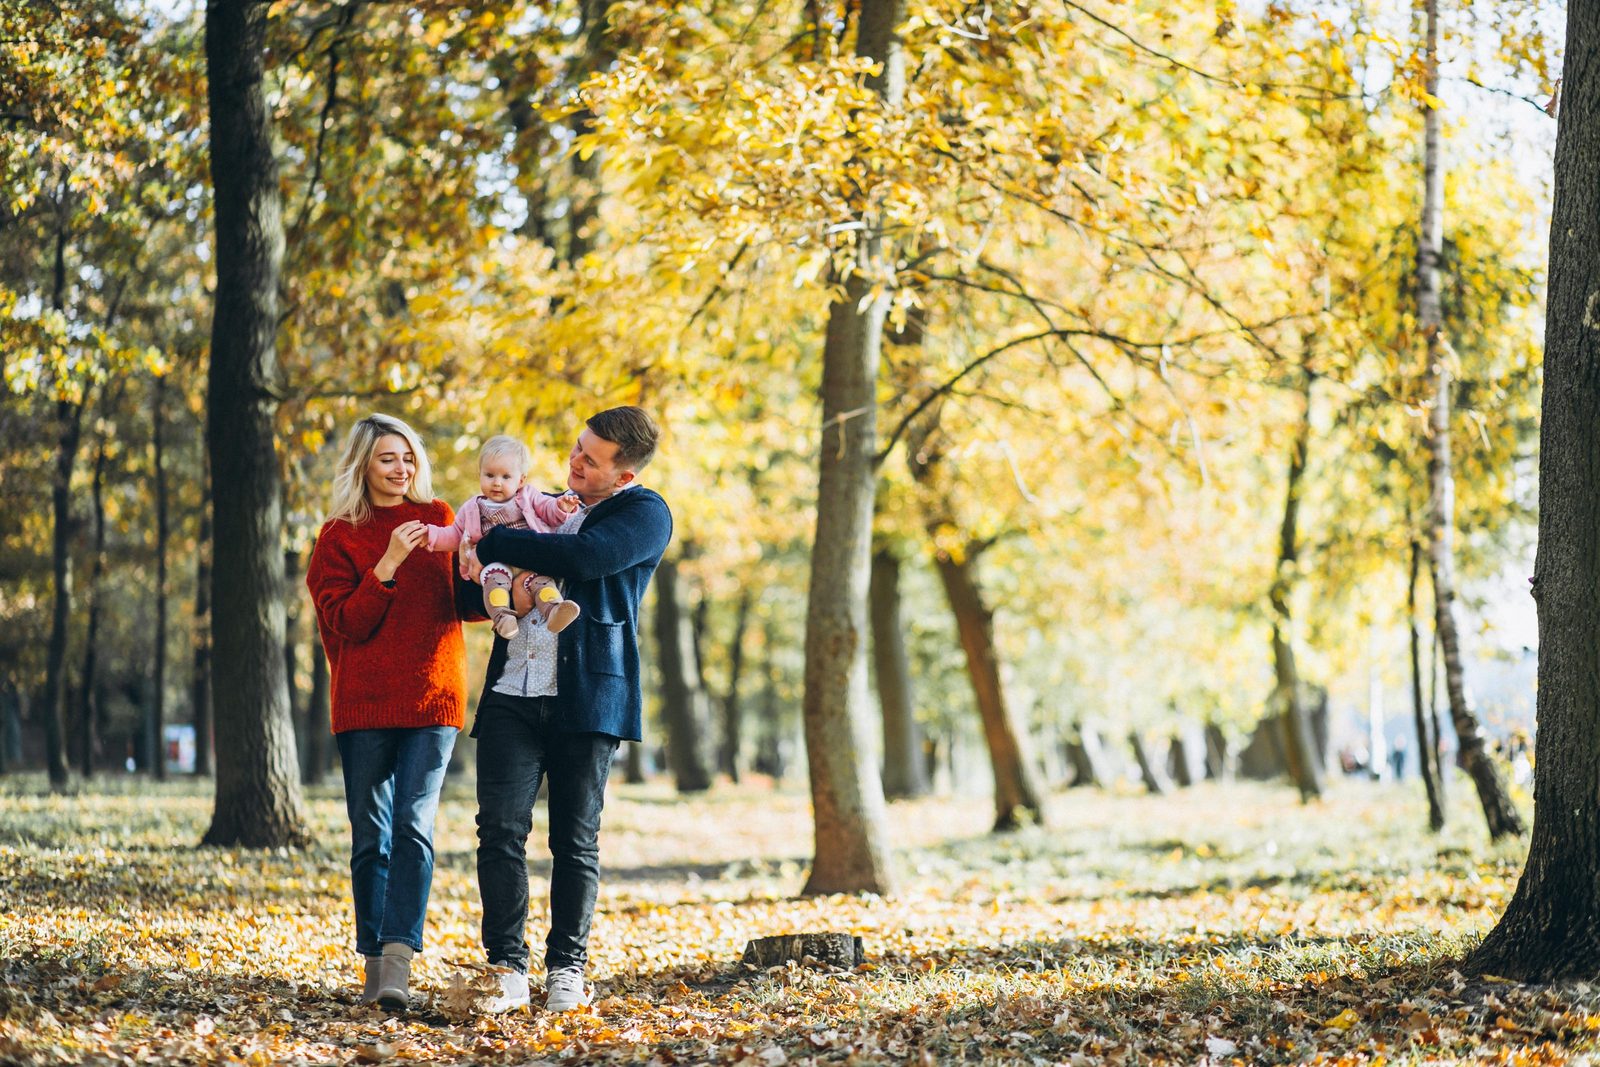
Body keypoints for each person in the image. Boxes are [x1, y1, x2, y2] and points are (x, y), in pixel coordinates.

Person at [463, 406, 672, 1014]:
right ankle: (506, 967)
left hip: (588, 697)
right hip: (512, 690)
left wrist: (496, 539)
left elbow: (587, 560)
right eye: (577, 448)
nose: (575, 461)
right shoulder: (539, 507)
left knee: (574, 841)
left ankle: (566, 970)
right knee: (499, 831)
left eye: (591, 458)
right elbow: (471, 587)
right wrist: (495, 574)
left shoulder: (643, 512)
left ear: (623, 475)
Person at [306, 414, 467, 1011]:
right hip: (366, 702)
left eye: (407, 458)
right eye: (387, 459)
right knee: (371, 835)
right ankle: (373, 966)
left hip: (433, 700)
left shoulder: (442, 519)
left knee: (414, 826)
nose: (401, 470)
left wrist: (497, 565)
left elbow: (465, 605)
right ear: (363, 466)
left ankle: (398, 958)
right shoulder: (337, 537)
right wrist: (388, 565)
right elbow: (346, 622)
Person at [423, 434, 582, 638]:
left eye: (506, 477)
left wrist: (561, 506)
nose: (497, 483)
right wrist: (430, 535)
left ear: (521, 479)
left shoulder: (529, 496)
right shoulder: (473, 507)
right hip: (495, 563)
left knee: (541, 582)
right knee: (495, 582)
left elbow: (549, 511)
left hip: (529, 560)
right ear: (479, 474)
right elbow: (455, 534)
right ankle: (503, 618)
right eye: (489, 475)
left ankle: (554, 611)